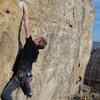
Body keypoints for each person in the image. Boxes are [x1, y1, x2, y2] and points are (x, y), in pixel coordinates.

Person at [1, 1, 47, 100]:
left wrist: (26, 11)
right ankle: (28, 92)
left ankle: (28, 90)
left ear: (38, 43)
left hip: (20, 74)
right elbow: (35, 60)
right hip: (26, 75)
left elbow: (27, 27)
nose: (35, 38)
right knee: (23, 83)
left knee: (5, 94)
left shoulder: (30, 43)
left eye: (37, 39)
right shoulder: (36, 52)